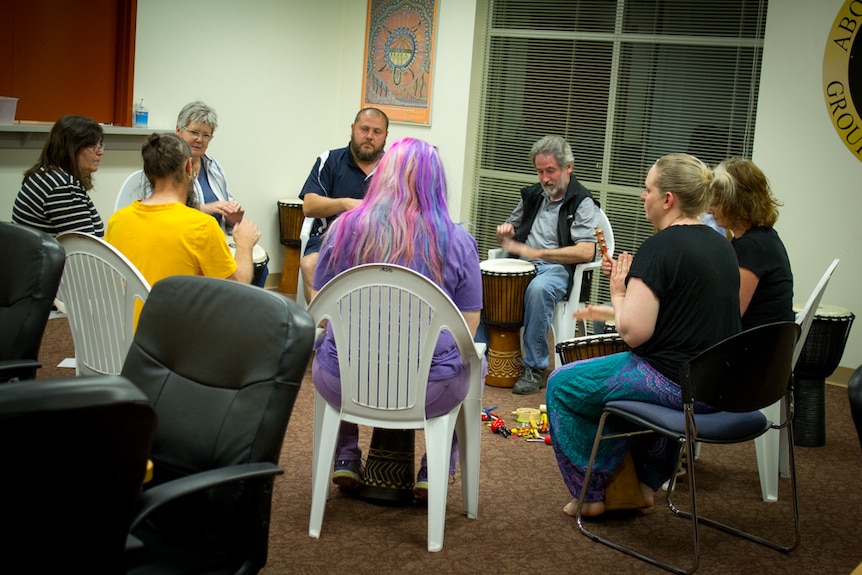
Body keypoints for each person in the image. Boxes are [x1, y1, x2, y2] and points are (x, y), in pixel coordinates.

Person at [548, 153, 741, 518]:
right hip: (717, 387)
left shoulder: (661, 246)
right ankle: (644, 484)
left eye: (648, 188)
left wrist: (619, 292)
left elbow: (632, 333)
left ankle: (590, 494)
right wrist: (639, 279)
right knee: (622, 389)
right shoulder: (722, 246)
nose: (642, 195)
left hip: (674, 386)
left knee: (562, 384)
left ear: (668, 199)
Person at [310, 137, 484, 500]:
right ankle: (435, 468)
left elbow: (323, 313)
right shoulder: (457, 240)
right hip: (427, 390)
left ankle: (344, 454)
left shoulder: (342, 229)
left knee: (325, 343)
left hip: (344, 381)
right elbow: (465, 328)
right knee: (476, 361)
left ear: (382, 176)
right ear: (436, 183)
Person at [495, 135, 600, 395]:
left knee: (538, 289)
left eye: (550, 171)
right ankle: (487, 357)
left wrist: (539, 252)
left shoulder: (582, 202)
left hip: (555, 271)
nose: (544, 178)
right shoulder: (533, 195)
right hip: (524, 265)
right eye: (540, 171)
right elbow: (512, 225)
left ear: (568, 168)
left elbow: (587, 251)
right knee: (485, 278)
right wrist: (507, 230)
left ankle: (534, 367)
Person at [105, 132, 260, 287]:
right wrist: (244, 244)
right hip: (174, 312)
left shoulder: (118, 220)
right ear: (188, 166)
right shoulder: (202, 226)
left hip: (128, 311)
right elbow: (238, 285)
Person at [299, 107, 389, 303]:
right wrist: (345, 203)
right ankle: (325, 326)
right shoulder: (330, 160)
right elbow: (309, 206)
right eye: (364, 129)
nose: (369, 136)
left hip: (379, 242)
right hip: (329, 238)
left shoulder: (394, 168)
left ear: (385, 136)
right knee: (309, 264)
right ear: (352, 128)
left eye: (377, 132)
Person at [709, 157, 794, 330]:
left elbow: (729, 315)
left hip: (755, 350)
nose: (709, 210)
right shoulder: (765, 238)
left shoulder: (751, 247)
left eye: (716, 202)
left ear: (736, 203)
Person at [12, 115, 105, 237]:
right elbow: (84, 248)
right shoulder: (62, 188)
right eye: (93, 147)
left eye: (100, 145)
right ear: (71, 149)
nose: (101, 152)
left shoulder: (43, 175)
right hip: (49, 256)